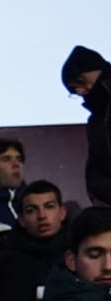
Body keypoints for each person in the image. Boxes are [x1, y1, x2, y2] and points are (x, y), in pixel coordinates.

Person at [0, 180, 71, 301]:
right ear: (21, 220)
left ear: (62, 213)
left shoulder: (79, 254)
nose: (42, 216)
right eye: (31, 210)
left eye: (49, 207)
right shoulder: (6, 262)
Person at [62, 46, 111, 207]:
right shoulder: (96, 123)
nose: (82, 91)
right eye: (75, 90)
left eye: (81, 82)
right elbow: (96, 180)